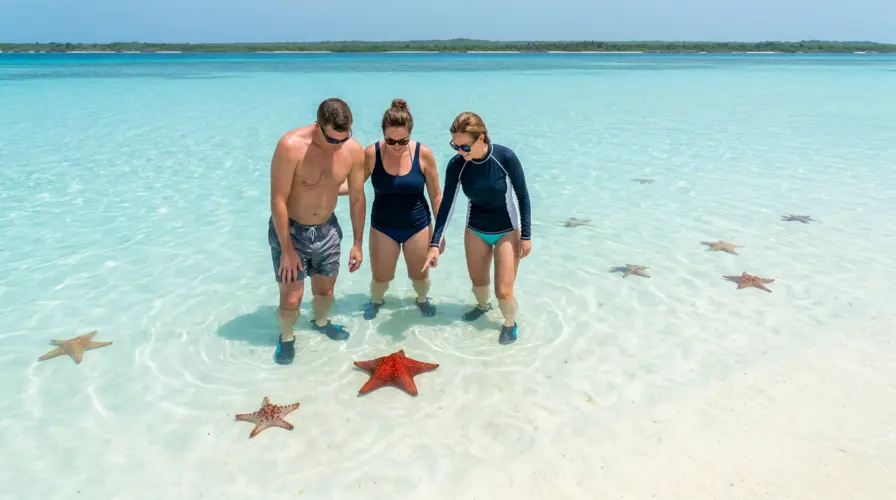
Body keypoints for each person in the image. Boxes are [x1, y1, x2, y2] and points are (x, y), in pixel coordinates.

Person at [268, 97, 367, 365]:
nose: (338, 145)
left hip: (327, 231)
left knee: (325, 291)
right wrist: (286, 249)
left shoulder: (353, 151)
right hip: (292, 230)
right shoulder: (290, 146)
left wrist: (358, 243)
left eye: (344, 138)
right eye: (332, 139)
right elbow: (277, 199)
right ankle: (287, 337)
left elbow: (357, 198)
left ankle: (321, 322)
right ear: (317, 126)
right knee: (292, 297)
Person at [422, 111, 532, 345]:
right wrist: (434, 243)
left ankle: (510, 323)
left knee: (503, 291)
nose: (460, 152)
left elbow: (523, 196)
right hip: (475, 231)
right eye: (455, 146)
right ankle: (483, 307)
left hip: (506, 232)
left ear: (481, 138)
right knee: (479, 286)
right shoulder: (457, 165)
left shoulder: (505, 157)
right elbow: (448, 204)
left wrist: (526, 236)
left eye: (464, 147)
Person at [354, 99, 446, 320]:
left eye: (402, 141)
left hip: (418, 226)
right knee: (380, 279)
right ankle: (376, 301)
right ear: (383, 134)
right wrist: (319, 188)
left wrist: (439, 233)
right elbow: (354, 187)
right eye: (390, 140)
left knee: (420, 278)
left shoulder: (423, 154)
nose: (395, 146)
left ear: (410, 134)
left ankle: (422, 300)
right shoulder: (371, 154)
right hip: (382, 227)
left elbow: (436, 194)